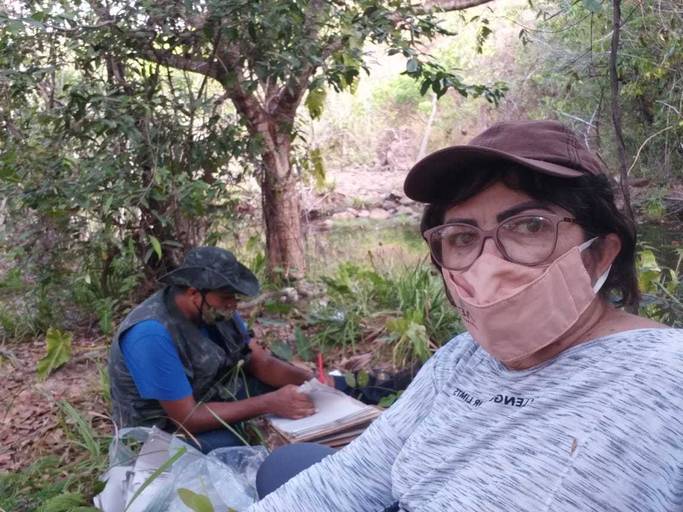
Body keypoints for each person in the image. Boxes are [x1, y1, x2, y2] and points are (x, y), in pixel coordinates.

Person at [246, 120, 683, 511]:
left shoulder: (666, 375)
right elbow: (351, 477)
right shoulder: (462, 356)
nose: (488, 265)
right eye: (461, 236)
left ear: (600, 252)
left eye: (530, 225)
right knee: (289, 465)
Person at [108, 246, 326, 453]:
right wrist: (269, 403)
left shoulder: (215, 311)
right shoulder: (151, 334)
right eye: (226, 297)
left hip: (209, 393)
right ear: (194, 293)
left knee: (303, 392)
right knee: (235, 446)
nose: (233, 304)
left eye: (234, 297)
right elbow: (186, 418)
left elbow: (259, 361)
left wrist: (312, 381)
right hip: (165, 430)